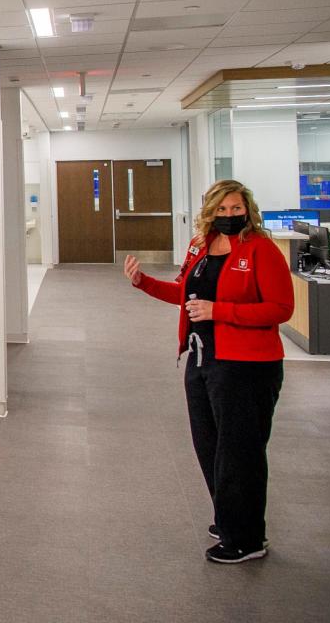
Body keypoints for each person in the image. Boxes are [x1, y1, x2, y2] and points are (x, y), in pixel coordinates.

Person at [124, 179, 293, 564]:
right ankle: (230, 517)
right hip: (203, 360)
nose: (230, 216)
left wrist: (221, 311)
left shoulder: (261, 250)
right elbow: (185, 294)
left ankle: (247, 538)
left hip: (248, 366)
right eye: (222, 209)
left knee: (240, 452)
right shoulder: (200, 246)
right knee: (209, 446)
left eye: (236, 209)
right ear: (210, 211)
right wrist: (142, 283)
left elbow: (281, 308)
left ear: (248, 209)